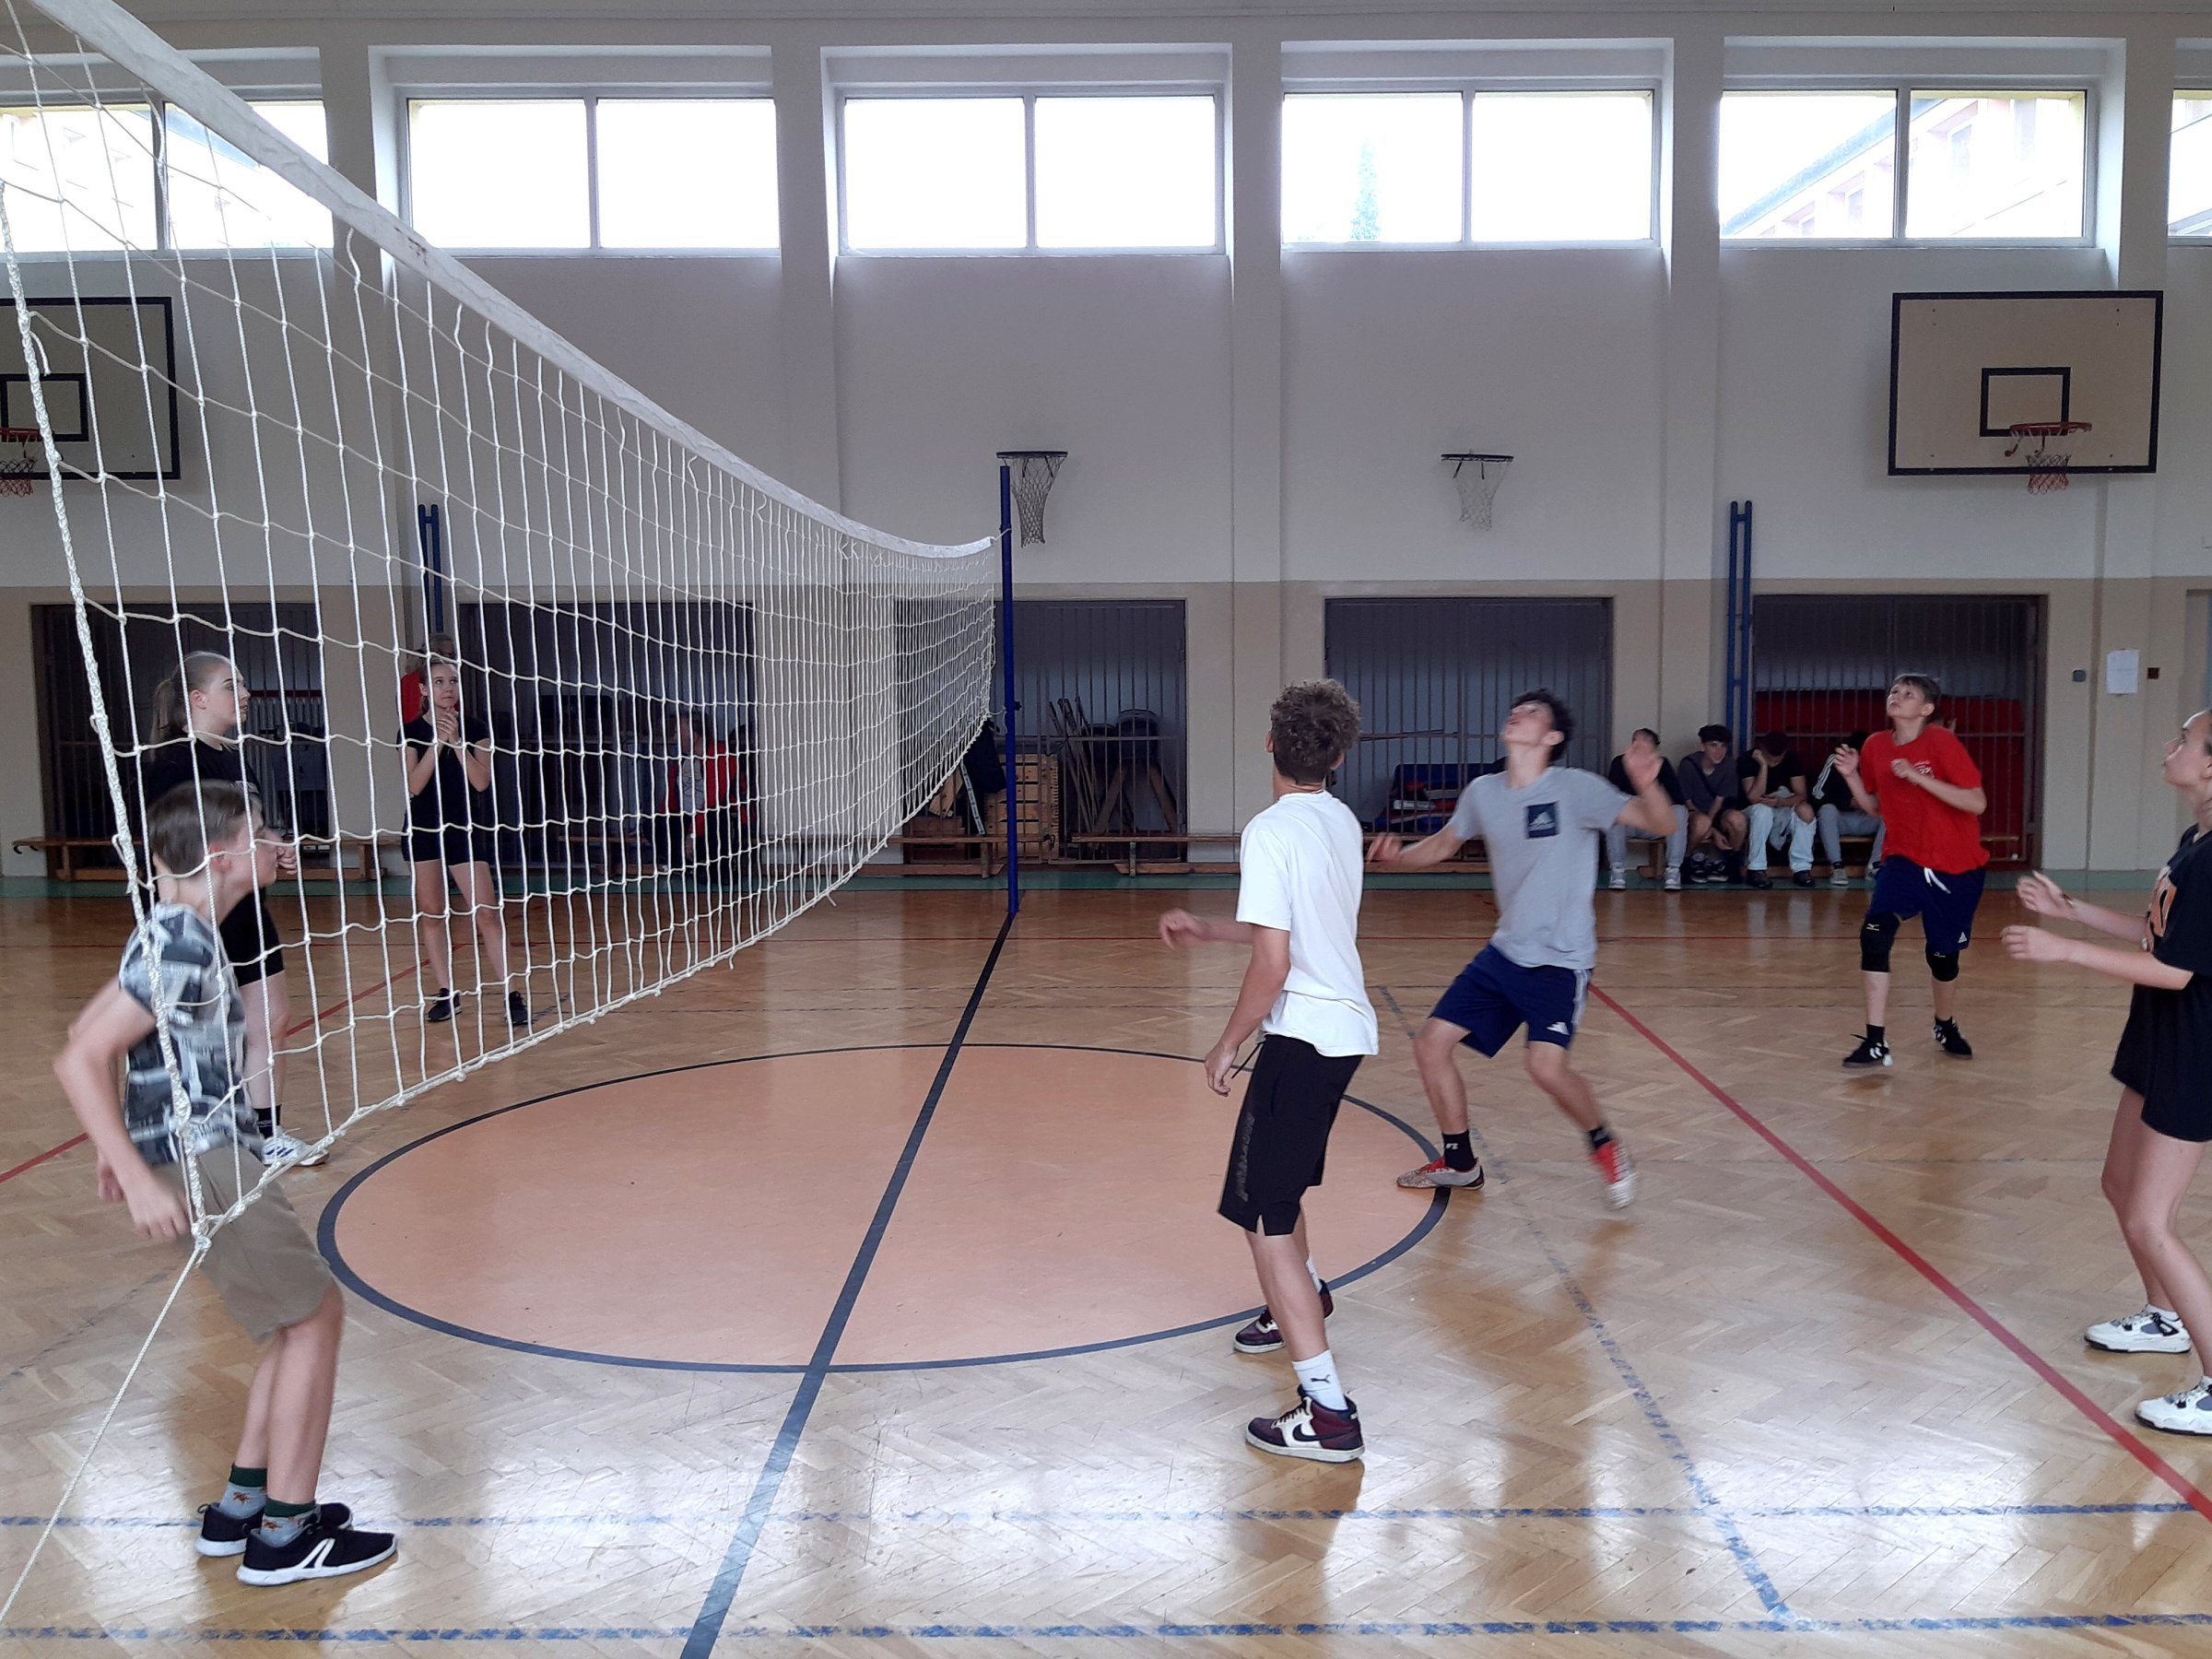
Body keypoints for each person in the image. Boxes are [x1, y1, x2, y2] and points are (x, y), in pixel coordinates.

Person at [52, 781, 397, 1583]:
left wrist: (126, 1139)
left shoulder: (176, 927)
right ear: (220, 856)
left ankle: (243, 1508)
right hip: (204, 1158)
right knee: (315, 1318)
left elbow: (91, 1032)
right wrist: (134, 1170)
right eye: (261, 831)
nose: (277, 842)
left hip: (195, 1152)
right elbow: (79, 1056)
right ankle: (286, 1537)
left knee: (296, 1318)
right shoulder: (181, 937)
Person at [1159, 680, 1377, 1463]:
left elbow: (1277, 963)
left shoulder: (1270, 829)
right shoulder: (1340, 821)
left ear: (1269, 745)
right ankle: (1304, 1296)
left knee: (1265, 1221)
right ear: (1339, 757)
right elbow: (1288, 930)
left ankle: (1327, 1414)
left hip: (1303, 1040)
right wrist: (1209, 928)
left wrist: (1227, 1043)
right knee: (1277, 1200)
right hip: (1341, 1035)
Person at [1371, 690, 1673, 1208]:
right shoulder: (1484, 792)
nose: (1518, 713)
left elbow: (1662, 825)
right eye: (1517, 708)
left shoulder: (1576, 788)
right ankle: (1460, 1163)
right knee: (1431, 1044)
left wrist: (1648, 785)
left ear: (1552, 737)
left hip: (1560, 960)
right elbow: (1444, 844)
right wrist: (1400, 858)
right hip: (1505, 952)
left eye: (1533, 712)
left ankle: (1604, 1143)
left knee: (1545, 1068)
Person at [2003, 712, 2212, 1433]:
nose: (2170, 746)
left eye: (2185, 740)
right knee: (2119, 1185)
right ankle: (2164, 1319)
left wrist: (2063, 953)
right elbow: (2159, 936)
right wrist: (2073, 913)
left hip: (2195, 1049)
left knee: (2152, 1219)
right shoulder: (2193, 842)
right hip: (2158, 1036)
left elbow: (2177, 972)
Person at [136, 653, 318, 1169]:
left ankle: (267, 1134)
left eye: (242, 683)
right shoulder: (171, 762)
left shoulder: (234, 758)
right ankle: (193, 1136)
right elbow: (166, 845)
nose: (244, 693)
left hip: (247, 904)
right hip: (202, 912)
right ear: (197, 699)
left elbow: (248, 830)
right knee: (203, 1034)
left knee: (273, 1018)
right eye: (229, 685)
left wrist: (274, 845)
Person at [1830, 675, 1987, 1068]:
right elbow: (1876, 808)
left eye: (1908, 694)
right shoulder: (1875, 745)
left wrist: (1918, 777)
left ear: (1926, 709)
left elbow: (1976, 802)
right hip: (1903, 858)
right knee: (1875, 934)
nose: (1897, 697)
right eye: (1894, 692)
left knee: (1943, 958)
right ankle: (1875, 1041)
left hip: (1955, 865)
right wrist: (1850, 775)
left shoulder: (1941, 741)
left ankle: (1945, 1024)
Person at [402, 641, 526, 1030]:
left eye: (453, 681)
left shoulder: (477, 729)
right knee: (433, 914)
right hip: (423, 830)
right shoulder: (411, 732)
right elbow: (414, 786)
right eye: (439, 682)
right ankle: (446, 992)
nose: (448, 688)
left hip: (465, 829)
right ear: (424, 689)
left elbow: (481, 781)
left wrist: (456, 744)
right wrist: (436, 744)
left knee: (487, 913)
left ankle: (511, 993)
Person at [657, 710, 742, 880]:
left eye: (678, 732)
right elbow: (671, 798)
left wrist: (692, 834)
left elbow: (713, 800)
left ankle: (711, 865)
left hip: (712, 820)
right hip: (687, 818)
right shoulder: (681, 760)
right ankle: (684, 864)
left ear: (694, 735)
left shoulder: (721, 755)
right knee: (655, 823)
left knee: (716, 817)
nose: (674, 738)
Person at [1604, 729, 1688, 891]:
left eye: (1644, 742)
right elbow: (1612, 795)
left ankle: (1673, 870)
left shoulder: (1662, 764)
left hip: (1655, 824)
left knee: (1679, 811)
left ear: (1654, 748)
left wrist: (1653, 795)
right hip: (1629, 823)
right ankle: (1617, 870)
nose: (1638, 746)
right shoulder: (1619, 762)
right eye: (1635, 741)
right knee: (1614, 812)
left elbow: (1677, 797)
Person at [1739, 730, 1816, 890]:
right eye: (1770, 758)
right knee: (1762, 811)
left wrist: (1780, 802)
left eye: (1777, 759)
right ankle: (1756, 869)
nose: (1773, 762)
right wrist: (1763, 766)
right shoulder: (1748, 759)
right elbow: (1753, 798)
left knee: (1806, 812)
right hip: (1752, 811)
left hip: (1782, 805)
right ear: (1761, 748)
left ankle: (1802, 869)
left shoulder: (1792, 759)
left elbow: (1802, 795)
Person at [1813, 732, 1886, 888]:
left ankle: (1875, 866)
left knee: (1889, 814)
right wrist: (1848, 802)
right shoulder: (1836, 761)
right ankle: (1837, 867)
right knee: (1827, 810)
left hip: (1867, 819)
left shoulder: (1879, 762)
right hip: (1841, 819)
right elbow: (1816, 795)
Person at [1678, 725, 1747, 885]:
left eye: (1723, 746)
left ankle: (1731, 862)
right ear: (1703, 746)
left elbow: (1719, 799)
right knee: (1702, 823)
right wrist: (1713, 831)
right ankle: (1685, 861)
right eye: (1713, 745)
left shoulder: (1729, 765)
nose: (1719, 751)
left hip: (1717, 813)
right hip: (1694, 813)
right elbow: (1687, 802)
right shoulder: (1688, 765)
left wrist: (1712, 825)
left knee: (1738, 820)